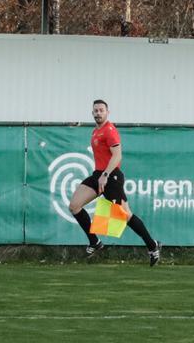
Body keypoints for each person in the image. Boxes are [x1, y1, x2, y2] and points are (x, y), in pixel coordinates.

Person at [67, 99, 161, 265]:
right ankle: (94, 242)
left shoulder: (110, 130)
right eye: (95, 110)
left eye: (101, 110)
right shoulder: (95, 131)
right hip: (98, 175)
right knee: (74, 206)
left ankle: (153, 246)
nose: (98, 113)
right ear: (92, 113)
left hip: (111, 177)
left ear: (107, 112)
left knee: (125, 215)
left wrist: (106, 174)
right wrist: (101, 175)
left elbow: (117, 156)